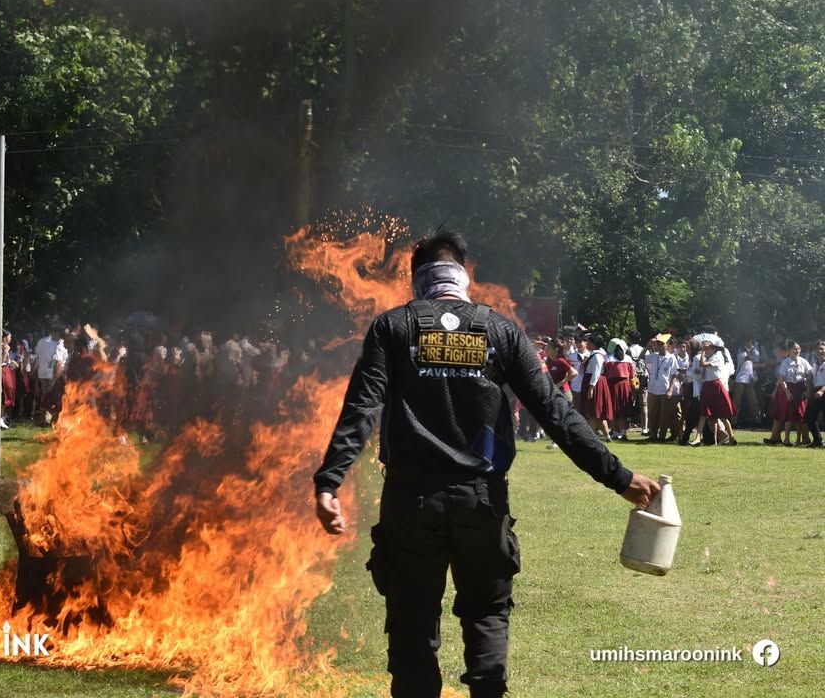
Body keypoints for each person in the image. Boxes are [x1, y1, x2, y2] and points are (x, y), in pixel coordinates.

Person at [312, 229, 660, 698]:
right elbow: (555, 412)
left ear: (417, 280)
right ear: (463, 275)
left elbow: (362, 408)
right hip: (482, 502)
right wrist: (618, 478)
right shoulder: (500, 331)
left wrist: (330, 481)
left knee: (413, 626)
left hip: (411, 502)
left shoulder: (393, 328)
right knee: (487, 616)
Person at [765, 340, 813, 446]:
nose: (797, 351)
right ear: (789, 350)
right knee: (788, 415)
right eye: (794, 349)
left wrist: (807, 381)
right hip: (788, 389)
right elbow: (782, 379)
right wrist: (787, 393)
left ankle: (801, 439)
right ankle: (783, 439)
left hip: (800, 389)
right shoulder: (785, 362)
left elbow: (810, 373)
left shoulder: (803, 361)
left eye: (798, 348)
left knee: (801, 415)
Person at [690, 342, 737, 446]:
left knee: (722, 416)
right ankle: (698, 438)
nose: (706, 349)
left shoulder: (717, 357)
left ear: (714, 349)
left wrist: (702, 352)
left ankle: (731, 437)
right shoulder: (709, 357)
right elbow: (701, 369)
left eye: (709, 347)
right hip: (708, 386)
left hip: (716, 386)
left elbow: (703, 364)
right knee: (704, 413)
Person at [581, 333, 613, 440]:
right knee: (597, 412)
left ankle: (588, 438)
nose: (587, 343)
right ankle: (607, 436)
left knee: (593, 411)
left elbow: (596, 373)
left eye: (589, 341)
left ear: (593, 343)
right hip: (592, 382)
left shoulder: (597, 356)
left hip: (595, 384)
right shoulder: (595, 354)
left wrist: (591, 389)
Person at [732, 337, 762, 427]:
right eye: (745, 340)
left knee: (753, 400)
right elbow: (739, 360)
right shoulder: (739, 349)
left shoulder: (755, 350)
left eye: (748, 341)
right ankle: (733, 420)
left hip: (750, 378)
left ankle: (757, 420)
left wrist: (749, 353)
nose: (747, 342)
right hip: (739, 377)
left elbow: (755, 363)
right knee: (736, 401)